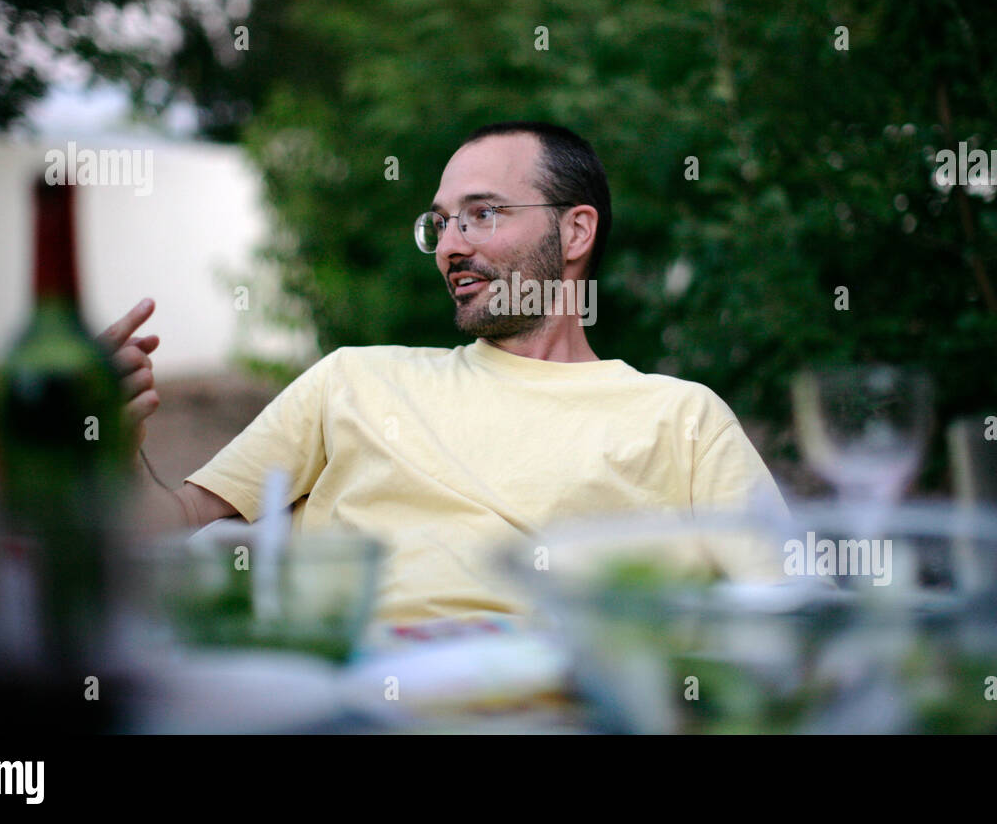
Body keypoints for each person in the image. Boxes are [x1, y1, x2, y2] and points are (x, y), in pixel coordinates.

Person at [106, 121, 789, 623]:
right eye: (440, 224)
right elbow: (165, 525)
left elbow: (794, 609)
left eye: (482, 215)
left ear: (576, 233)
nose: (451, 247)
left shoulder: (680, 418)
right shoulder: (353, 381)